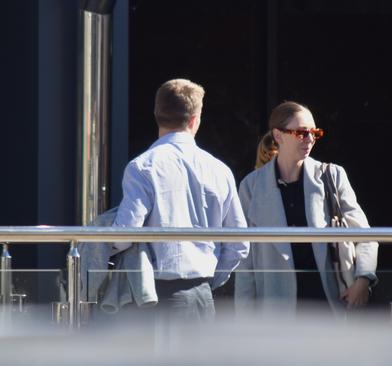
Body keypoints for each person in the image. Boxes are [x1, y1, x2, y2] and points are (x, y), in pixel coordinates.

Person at [112, 78, 249, 321]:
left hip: (155, 298)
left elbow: (123, 235)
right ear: (195, 119)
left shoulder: (143, 166)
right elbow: (239, 243)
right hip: (203, 296)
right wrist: (210, 279)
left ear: (156, 113)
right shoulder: (219, 169)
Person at [234, 101, 378, 316]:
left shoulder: (332, 176)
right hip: (276, 313)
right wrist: (245, 317)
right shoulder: (251, 187)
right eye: (302, 133)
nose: (310, 139)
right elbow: (245, 260)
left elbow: (365, 235)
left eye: (314, 132)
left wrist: (364, 279)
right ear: (278, 135)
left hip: (330, 306)